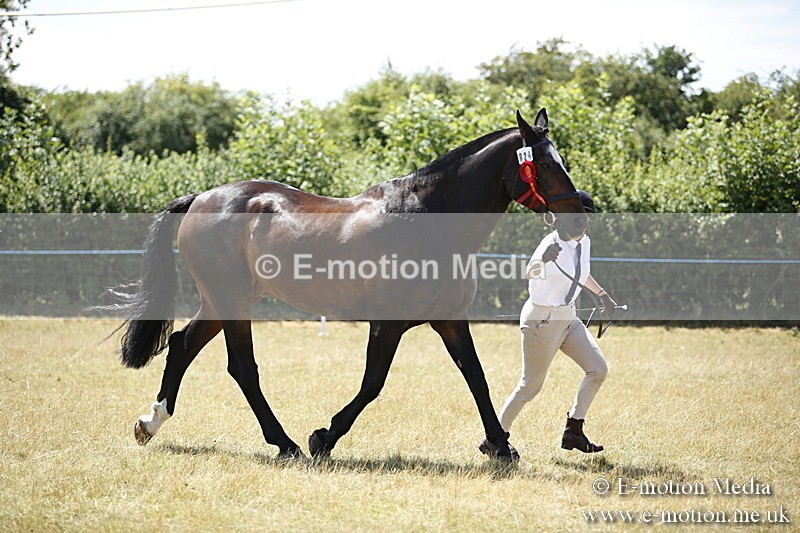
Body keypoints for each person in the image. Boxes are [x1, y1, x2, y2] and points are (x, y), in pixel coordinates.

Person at [483, 190, 617, 456]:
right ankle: (493, 440)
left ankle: (574, 431)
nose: (581, 222)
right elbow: (529, 273)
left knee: (598, 370)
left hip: (568, 317)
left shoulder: (584, 242)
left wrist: (603, 295)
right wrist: (543, 260)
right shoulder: (550, 242)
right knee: (530, 387)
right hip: (542, 320)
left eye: (585, 217)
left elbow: (583, 273)